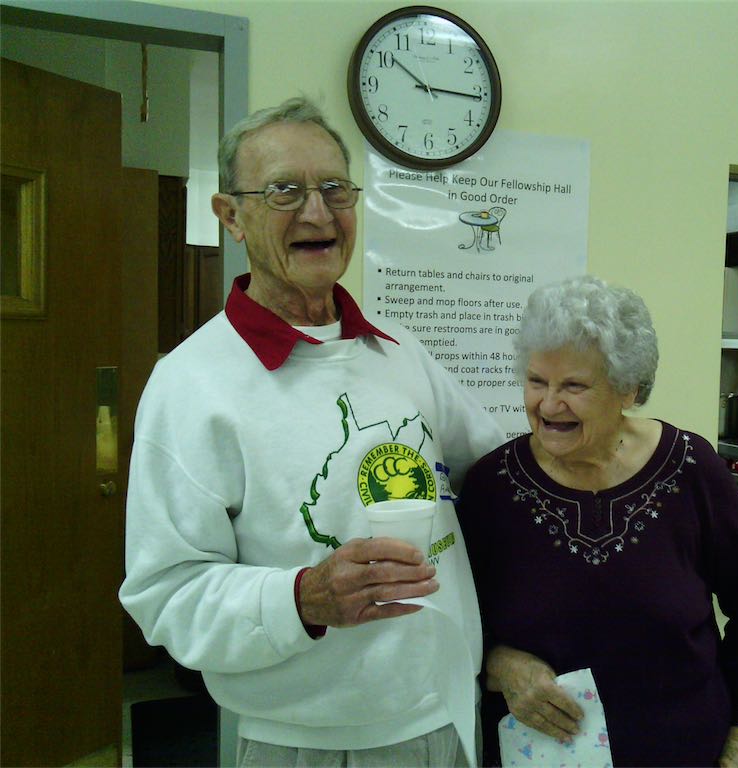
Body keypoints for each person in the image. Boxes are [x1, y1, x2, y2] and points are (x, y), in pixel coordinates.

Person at [119, 97, 504, 767]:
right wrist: (302, 598)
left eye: (334, 189)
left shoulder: (400, 353)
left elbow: (501, 476)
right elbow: (167, 597)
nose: (318, 213)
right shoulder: (191, 384)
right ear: (230, 215)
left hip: (447, 715)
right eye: (284, 191)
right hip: (309, 745)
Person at [457, 276, 738, 768]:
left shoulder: (692, 468)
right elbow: (456, 621)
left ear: (628, 389)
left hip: (686, 750)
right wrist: (499, 664)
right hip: (542, 754)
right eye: (536, 381)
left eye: (574, 386)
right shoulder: (491, 486)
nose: (548, 405)